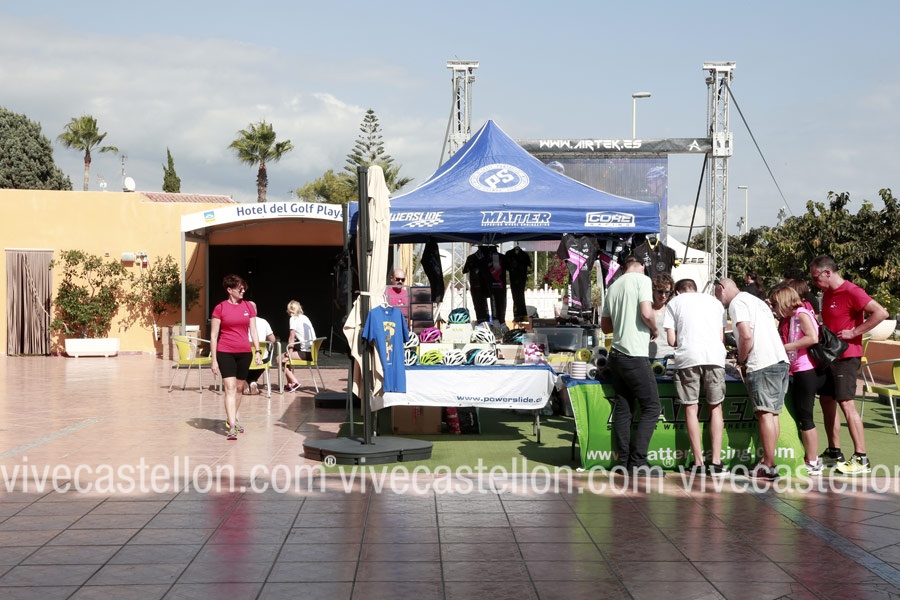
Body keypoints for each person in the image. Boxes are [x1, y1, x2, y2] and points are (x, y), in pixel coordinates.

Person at [810, 255, 889, 474]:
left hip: (846, 357)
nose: (815, 283)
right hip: (829, 357)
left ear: (827, 272)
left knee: (846, 404)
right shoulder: (827, 293)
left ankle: (861, 458)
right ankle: (834, 452)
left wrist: (854, 332)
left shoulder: (852, 291)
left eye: (816, 278)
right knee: (827, 401)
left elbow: (881, 312)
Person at [714, 278, 789, 480]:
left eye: (717, 294)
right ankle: (768, 461)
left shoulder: (737, 303)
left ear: (722, 289)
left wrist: (741, 359)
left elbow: (746, 336)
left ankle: (768, 465)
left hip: (762, 363)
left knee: (765, 414)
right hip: (779, 360)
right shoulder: (756, 301)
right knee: (772, 414)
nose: (718, 299)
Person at [600, 255, 663, 477]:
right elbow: (646, 312)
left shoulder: (613, 286)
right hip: (634, 353)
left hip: (616, 354)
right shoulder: (642, 280)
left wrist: (623, 320)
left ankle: (624, 461)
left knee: (624, 407)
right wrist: (654, 329)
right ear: (642, 266)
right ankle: (638, 462)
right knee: (652, 407)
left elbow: (605, 327)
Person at [664, 278, 728, 476]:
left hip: (688, 357)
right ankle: (716, 462)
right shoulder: (715, 303)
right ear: (695, 288)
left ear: (677, 291)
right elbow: (722, 337)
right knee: (716, 406)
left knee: (691, 408)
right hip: (714, 356)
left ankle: (698, 462)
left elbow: (671, 340)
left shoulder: (674, 303)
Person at [768, 284, 824, 475]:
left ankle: (813, 461)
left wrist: (785, 347)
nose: (774, 308)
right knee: (801, 415)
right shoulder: (792, 317)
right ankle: (809, 457)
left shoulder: (801, 314)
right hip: (796, 369)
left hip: (806, 370)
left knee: (806, 417)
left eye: (775, 304)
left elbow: (812, 338)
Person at [210, 274, 262, 441]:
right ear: (229, 290)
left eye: (244, 288)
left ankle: (231, 418)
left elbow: (253, 330)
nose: (243, 291)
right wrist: (214, 360)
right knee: (230, 387)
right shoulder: (220, 308)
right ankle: (232, 425)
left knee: (239, 388)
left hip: (244, 353)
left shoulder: (248, 306)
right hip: (225, 352)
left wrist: (258, 351)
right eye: (239, 289)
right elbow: (213, 335)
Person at [282, 300, 317, 392]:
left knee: (279, 359)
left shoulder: (293, 319)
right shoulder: (305, 317)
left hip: (306, 353)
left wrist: (289, 355)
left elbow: (291, 338)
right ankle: (290, 384)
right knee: (286, 358)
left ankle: (294, 382)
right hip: (313, 352)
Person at [244, 301, 277, 395]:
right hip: (261, 358)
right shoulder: (264, 322)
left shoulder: (241, 322)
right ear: (256, 311)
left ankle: (245, 381)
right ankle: (252, 381)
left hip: (245, 358)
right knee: (264, 359)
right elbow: (273, 340)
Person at [649, 273, 676, 361]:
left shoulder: (672, 310)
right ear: (653, 291)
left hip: (669, 355)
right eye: (660, 291)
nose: (663, 295)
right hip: (648, 355)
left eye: (667, 292)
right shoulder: (646, 310)